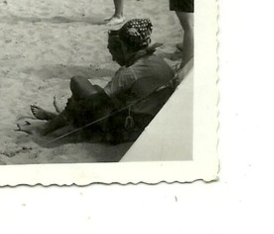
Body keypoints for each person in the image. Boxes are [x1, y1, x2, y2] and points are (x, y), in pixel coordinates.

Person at [17, 19, 175, 143]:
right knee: (94, 89)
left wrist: (75, 104)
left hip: (125, 131)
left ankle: (46, 128)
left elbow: (94, 103)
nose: (113, 57)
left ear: (125, 47)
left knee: (78, 82)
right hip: (146, 123)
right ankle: (58, 119)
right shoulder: (158, 61)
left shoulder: (130, 73)